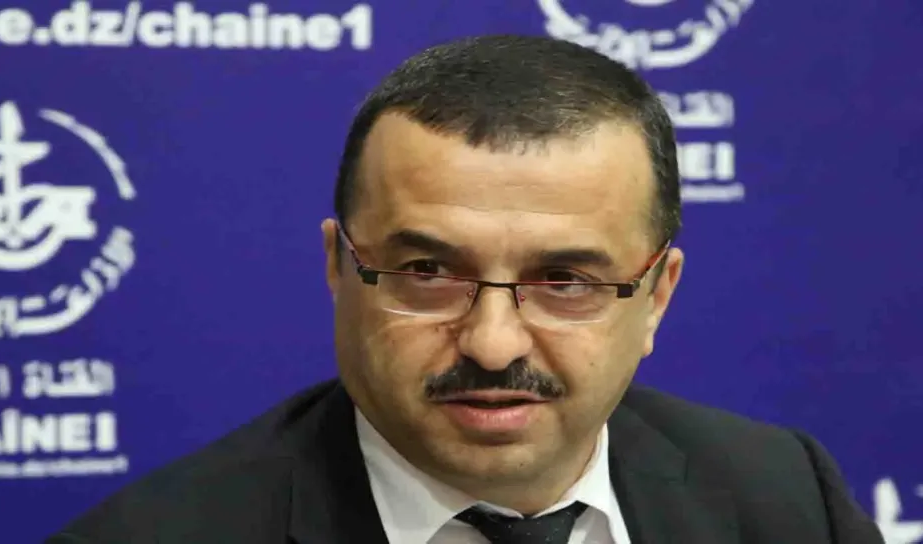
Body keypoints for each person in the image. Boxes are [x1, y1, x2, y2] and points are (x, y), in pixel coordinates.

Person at [46, 34, 883, 544]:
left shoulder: (785, 495)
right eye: (427, 273)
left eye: (565, 281)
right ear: (338, 268)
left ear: (657, 294)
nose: (492, 343)